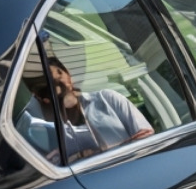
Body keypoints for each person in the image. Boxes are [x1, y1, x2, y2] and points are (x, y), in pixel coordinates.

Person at [24, 58, 153, 162]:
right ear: (42, 97)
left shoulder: (107, 99)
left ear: (68, 73)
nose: (61, 80)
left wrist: (96, 155)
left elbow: (147, 138)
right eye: (52, 82)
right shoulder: (47, 132)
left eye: (59, 72)